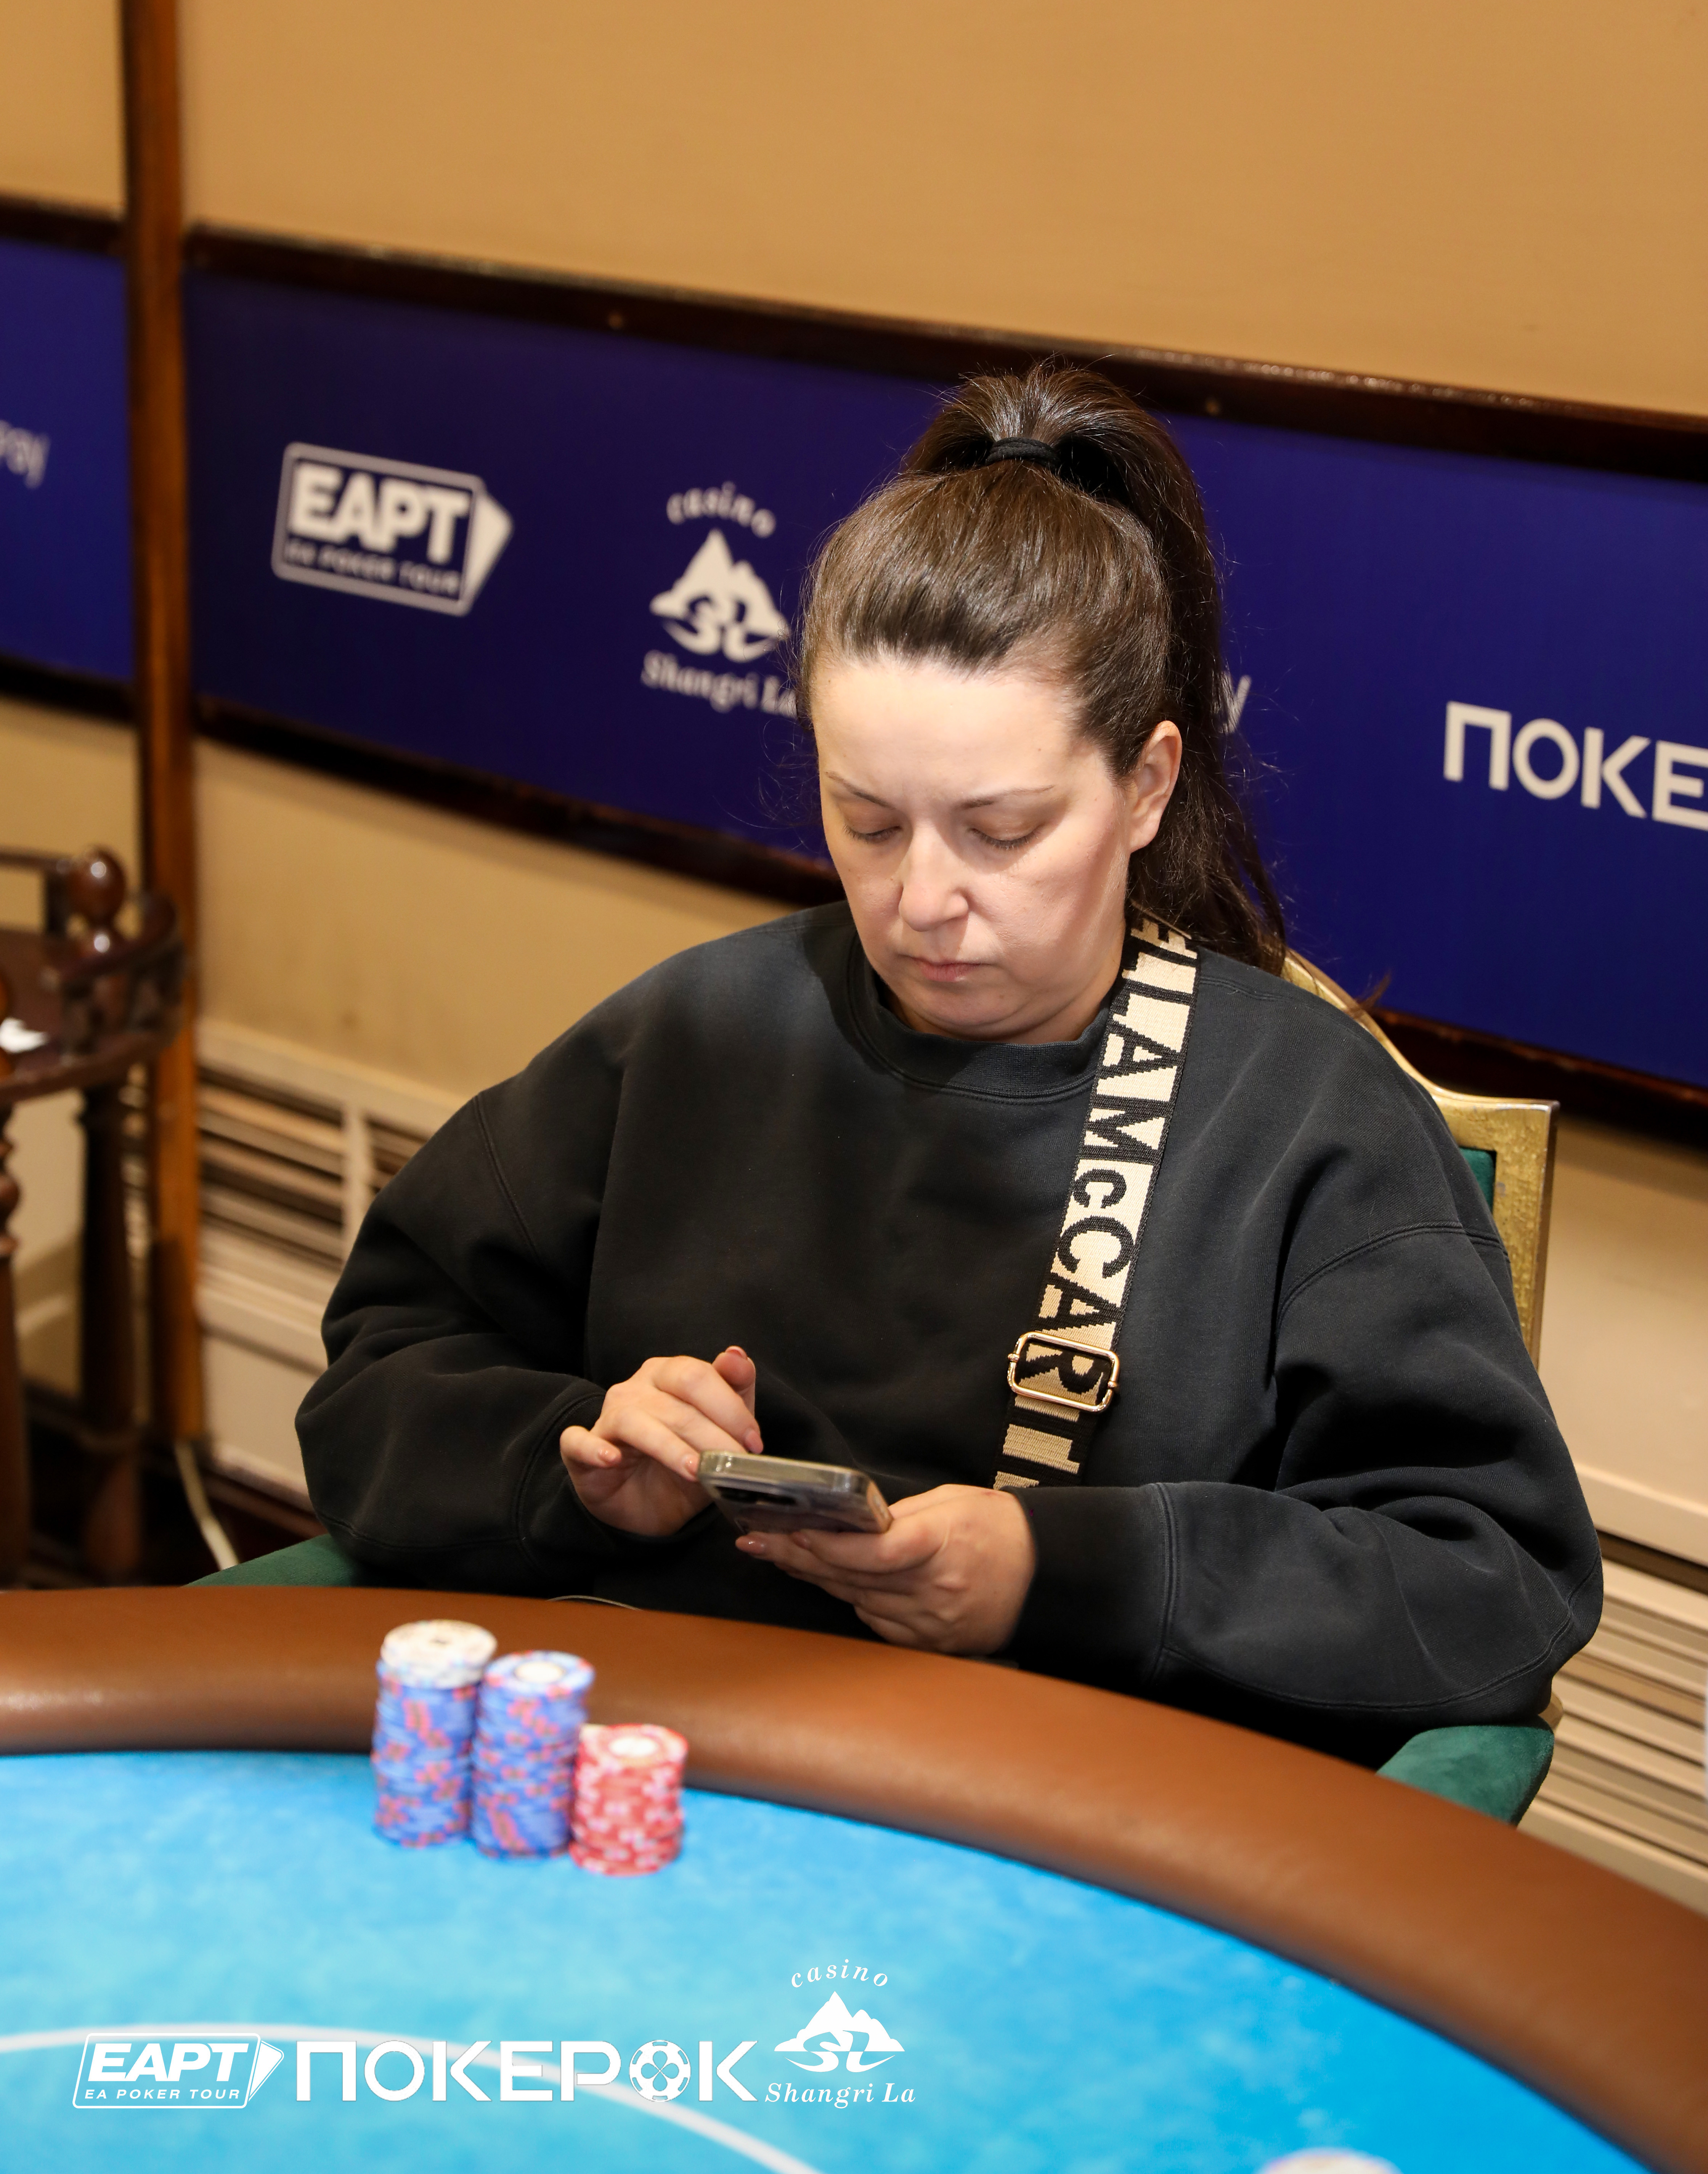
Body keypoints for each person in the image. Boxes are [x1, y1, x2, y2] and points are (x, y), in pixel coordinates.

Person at [298, 362, 1600, 1766]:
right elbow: (379, 1379)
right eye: (868, 823)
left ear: (1147, 785)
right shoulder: (692, 1034)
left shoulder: (1305, 1121)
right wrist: (579, 1464)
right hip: (687, 1766)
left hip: (1086, 1808)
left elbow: (1490, 1580)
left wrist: (1062, 1571)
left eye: (1002, 832)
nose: (923, 901)